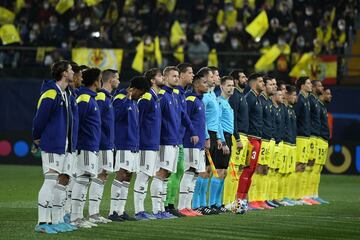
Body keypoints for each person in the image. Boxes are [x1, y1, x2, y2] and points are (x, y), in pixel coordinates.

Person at [33, 60, 75, 234]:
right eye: (71, 70)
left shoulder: (64, 94)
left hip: (63, 145)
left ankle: (56, 220)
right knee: (50, 181)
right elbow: (39, 118)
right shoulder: (51, 93)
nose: (73, 72)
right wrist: (36, 138)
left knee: (60, 183)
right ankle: (42, 222)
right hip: (51, 143)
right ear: (64, 73)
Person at [109, 76, 150, 221]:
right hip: (122, 143)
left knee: (128, 176)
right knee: (121, 174)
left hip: (133, 144)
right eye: (142, 92)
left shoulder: (134, 102)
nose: (143, 95)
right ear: (134, 89)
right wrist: (127, 99)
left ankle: (121, 211)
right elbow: (114, 117)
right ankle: (113, 211)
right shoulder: (120, 98)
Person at [150, 66, 184, 219]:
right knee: (161, 173)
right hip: (165, 141)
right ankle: (156, 210)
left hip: (174, 140)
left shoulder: (173, 95)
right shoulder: (163, 96)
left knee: (167, 174)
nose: (177, 78)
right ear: (165, 78)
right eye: (173, 76)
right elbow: (157, 120)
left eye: (178, 76)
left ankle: (161, 208)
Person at [165, 63, 198, 217]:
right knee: (172, 172)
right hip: (172, 139)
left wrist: (191, 131)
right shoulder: (175, 92)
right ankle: (167, 204)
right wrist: (192, 131)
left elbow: (183, 115)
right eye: (190, 73)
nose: (192, 75)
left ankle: (171, 203)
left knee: (178, 171)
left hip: (178, 138)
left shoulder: (181, 92)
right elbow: (182, 115)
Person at [71, 68, 101, 228]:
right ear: (95, 81)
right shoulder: (84, 98)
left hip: (91, 145)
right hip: (85, 145)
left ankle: (79, 216)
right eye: (100, 78)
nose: (101, 81)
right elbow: (77, 122)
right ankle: (75, 217)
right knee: (82, 180)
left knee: (85, 180)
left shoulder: (90, 98)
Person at [88, 69, 119, 223]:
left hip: (107, 143)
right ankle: (92, 213)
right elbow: (95, 121)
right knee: (99, 175)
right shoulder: (101, 96)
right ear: (110, 79)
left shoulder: (107, 97)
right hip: (101, 143)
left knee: (103, 176)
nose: (119, 81)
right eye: (117, 78)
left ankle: (96, 213)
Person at [133, 68, 163, 220]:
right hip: (145, 144)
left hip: (153, 144)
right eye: (160, 76)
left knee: (147, 176)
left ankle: (143, 210)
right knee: (143, 176)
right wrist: (137, 143)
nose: (162, 78)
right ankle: (139, 210)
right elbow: (137, 122)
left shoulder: (155, 98)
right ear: (152, 80)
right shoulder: (146, 98)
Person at [178, 74, 208, 216]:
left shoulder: (199, 101)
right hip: (191, 143)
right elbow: (184, 120)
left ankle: (188, 206)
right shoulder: (190, 99)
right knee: (189, 172)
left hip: (199, 144)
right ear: (196, 85)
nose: (207, 84)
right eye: (204, 82)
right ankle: (182, 206)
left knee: (195, 174)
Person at [192, 67, 221, 215]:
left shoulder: (212, 95)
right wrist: (206, 136)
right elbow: (200, 119)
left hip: (213, 134)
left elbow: (217, 119)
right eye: (213, 75)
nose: (215, 78)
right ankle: (197, 204)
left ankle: (203, 203)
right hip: (206, 134)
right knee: (202, 171)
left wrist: (220, 137)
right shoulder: (204, 97)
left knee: (208, 171)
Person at [236, 73, 264, 214]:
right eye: (260, 81)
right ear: (253, 83)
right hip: (251, 139)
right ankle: (238, 201)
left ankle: (243, 201)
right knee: (246, 170)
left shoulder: (256, 98)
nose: (263, 83)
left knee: (251, 171)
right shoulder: (250, 98)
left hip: (257, 139)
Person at [248, 76, 276, 210]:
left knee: (264, 170)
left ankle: (261, 198)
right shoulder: (259, 100)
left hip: (266, 139)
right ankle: (252, 199)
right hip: (260, 139)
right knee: (257, 169)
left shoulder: (267, 102)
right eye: (271, 84)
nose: (273, 87)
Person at [223, 70, 249, 210]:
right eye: (243, 76)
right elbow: (232, 120)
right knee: (232, 169)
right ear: (236, 80)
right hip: (236, 137)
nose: (246, 78)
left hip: (242, 137)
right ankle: (227, 200)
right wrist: (237, 137)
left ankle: (233, 200)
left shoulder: (241, 95)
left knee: (237, 170)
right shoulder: (235, 97)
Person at [208, 76, 234, 212]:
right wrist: (222, 141)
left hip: (228, 138)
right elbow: (217, 123)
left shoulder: (227, 103)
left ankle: (218, 204)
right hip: (222, 138)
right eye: (228, 85)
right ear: (222, 87)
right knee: (218, 171)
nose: (231, 88)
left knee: (223, 172)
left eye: (232, 85)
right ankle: (212, 203)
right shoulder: (219, 102)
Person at [303, 80, 324, 205]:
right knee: (306, 166)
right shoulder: (308, 100)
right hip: (308, 137)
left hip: (315, 137)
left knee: (314, 168)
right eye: (319, 85)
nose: (321, 87)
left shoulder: (315, 101)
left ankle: (312, 194)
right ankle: (302, 195)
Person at [294, 77, 312, 205]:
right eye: (308, 83)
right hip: (300, 137)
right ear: (302, 86)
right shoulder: (300, 100)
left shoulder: (306, 100)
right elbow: (295, 119)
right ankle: (294, 195)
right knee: (298, 166)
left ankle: (300, 195)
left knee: (303, 166)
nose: (310, 85)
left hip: (305, 137)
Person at [312, 88, 332, 204]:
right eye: (328, 93)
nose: (330, 96)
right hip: (317, 139)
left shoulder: (322, 107)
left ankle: (314, 194)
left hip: (322, 140)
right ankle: (303, 195)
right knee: (311, 168)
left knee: (317, 169)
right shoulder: (317, 106)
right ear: (322, 94)